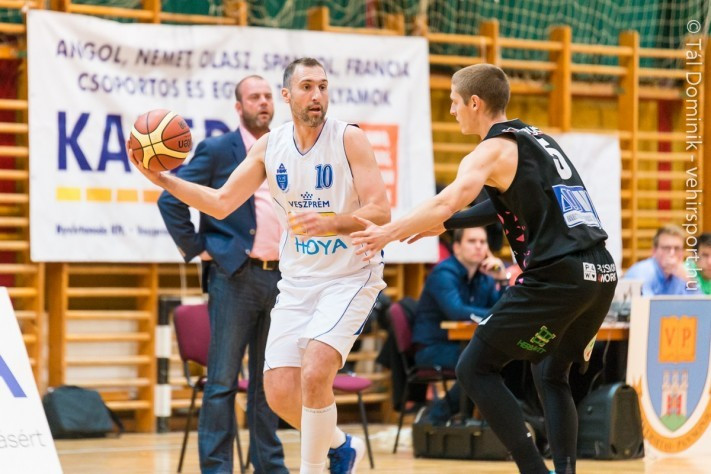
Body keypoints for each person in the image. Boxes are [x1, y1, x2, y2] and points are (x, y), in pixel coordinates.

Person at [352, 63, 617, 474]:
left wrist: (388, 232)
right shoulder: (535, 139)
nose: (452, 111)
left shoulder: (489, 150)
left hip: (559, 276)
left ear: (474, 103)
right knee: (550, 373)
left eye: (454, 102)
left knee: (473, 368)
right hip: (600, 274)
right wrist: (448, 224)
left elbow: (446, 201)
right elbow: (500, 203)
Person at [129, 58, 389, 474]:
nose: (317, 95)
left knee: (316, 368)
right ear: (288, 95)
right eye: (307, 87)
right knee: (278, 392)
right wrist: (163, 180)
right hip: (297, 281)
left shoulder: (349, 138)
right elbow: (221, 203)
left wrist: (332, 223)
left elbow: (380, 211)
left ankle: (312, 469)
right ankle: (341, 446)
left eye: (322, 86)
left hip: (348, 277)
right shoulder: (270, 146)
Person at [158, 75, 288, 473]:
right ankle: (217, 468)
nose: (263, 103)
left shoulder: (283, 147)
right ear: (239, 107)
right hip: (235, 277)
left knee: (270, 382)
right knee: (221, 382)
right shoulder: (218, 150)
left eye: (268, 96)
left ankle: (269, 466)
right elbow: (170, 199)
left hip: (282, 279)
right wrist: (200, 248)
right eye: (254, 97)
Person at [412, 227, 506, 425]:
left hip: (465, 345)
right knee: (480, 363)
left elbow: (502, 308)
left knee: (501, 359)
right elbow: (456, 311)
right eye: (472, 241)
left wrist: (502, 281)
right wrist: (497, 315)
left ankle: (479, 422)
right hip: (433, 348)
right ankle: (436, 417)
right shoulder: (443, 273)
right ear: (456, 247)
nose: (479, 246)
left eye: (482, 242)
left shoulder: (485, 276)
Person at [624, 224, 697, 295]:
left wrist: (691, 282)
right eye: (666, 248)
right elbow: (646, 303)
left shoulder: (682, 273)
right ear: (654, 251)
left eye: (677, 248)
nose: (672, 253)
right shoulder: (642, 272)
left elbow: (699, 301)